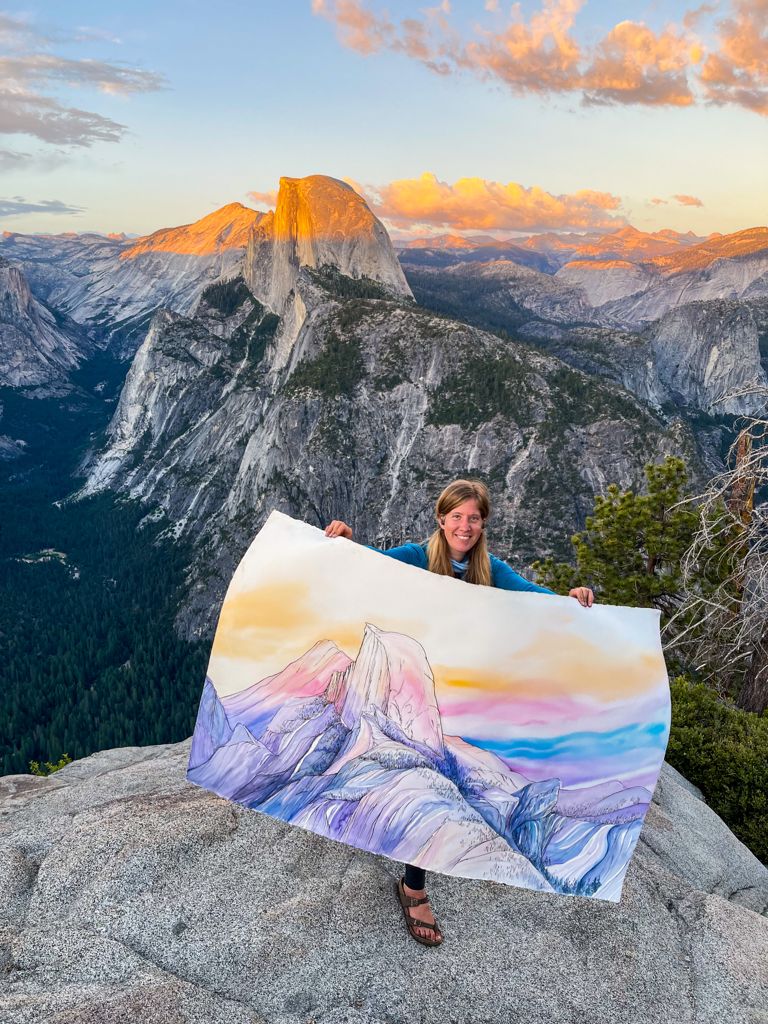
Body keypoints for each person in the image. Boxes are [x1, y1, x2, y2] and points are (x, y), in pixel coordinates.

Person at [324, 478, 594, 947]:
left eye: (473, 518)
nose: (464, 526)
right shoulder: (416, 556)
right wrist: (348, 544)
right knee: (421, 777)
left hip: (460, 694)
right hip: (413, 691)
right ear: (442, 520)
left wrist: (570, 602)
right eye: (457, 517)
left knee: (443, 782)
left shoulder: (491, 570)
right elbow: (370, 567)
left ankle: (412, 880)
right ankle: (414, 887)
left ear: (483, 523)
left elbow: (535, 598)